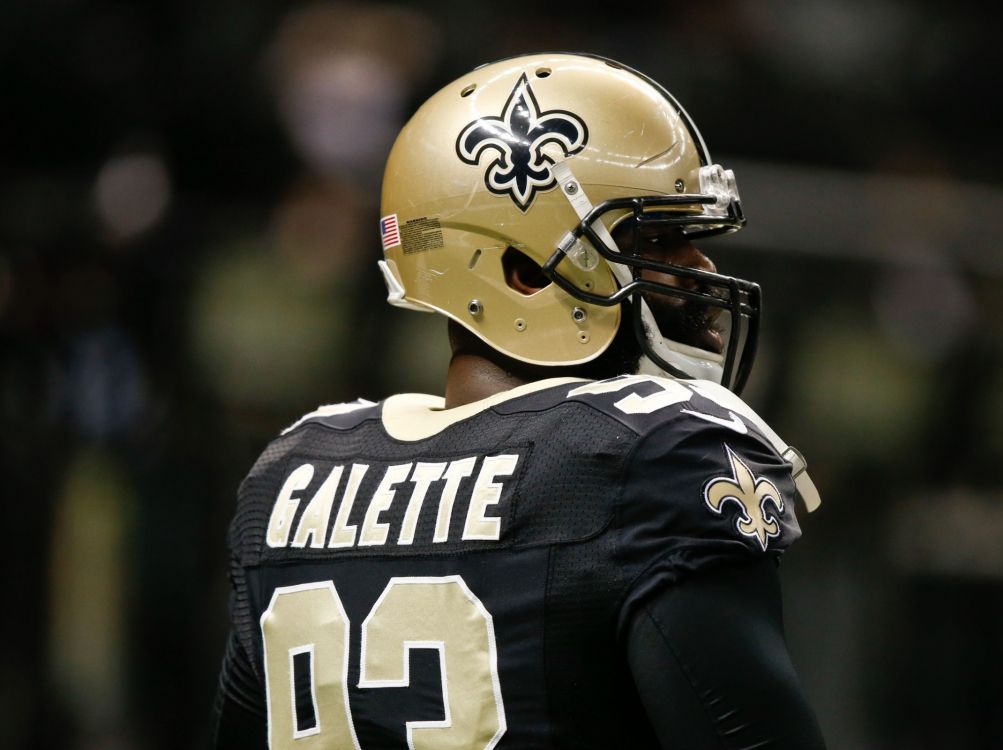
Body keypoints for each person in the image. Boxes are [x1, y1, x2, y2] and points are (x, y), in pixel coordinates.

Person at [211, 52, 825, 749]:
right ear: (525, 271)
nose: (702, 268)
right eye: (659, 241)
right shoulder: (651, 455)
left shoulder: (289, 477)